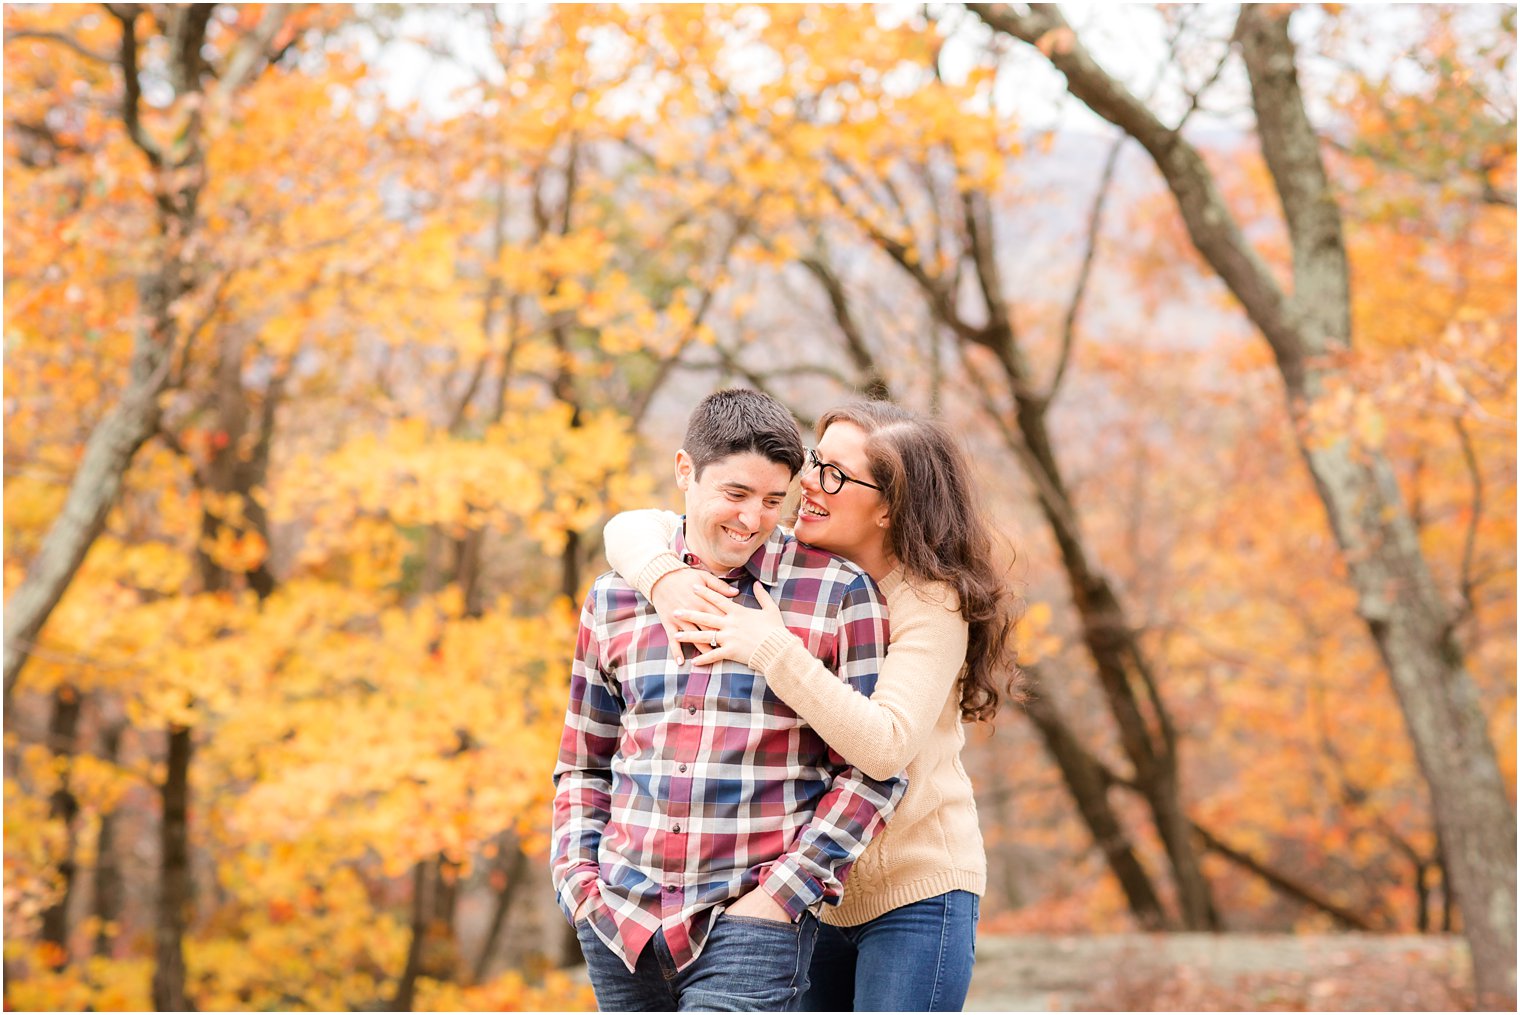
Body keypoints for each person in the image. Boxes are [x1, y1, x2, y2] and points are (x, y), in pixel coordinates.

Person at [603, 399, 1018, 1012]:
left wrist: (770, 646)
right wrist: (664, 577)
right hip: (810, 892)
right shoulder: (797, 566)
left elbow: (885, 746)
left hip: (912, 892)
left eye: (836, 477)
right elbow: (631, 526)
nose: (808, 488)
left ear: (889, 508)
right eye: (815, 463)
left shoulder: (930, 604)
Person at [551, 388, 907, 1012]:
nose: (752, 520)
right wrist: (578, 884)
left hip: (747, 925)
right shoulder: (615, 599)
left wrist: (779, 898)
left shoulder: (836, 595)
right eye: (736, 495)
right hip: (618, 919)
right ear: (686, 472)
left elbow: (873, 772)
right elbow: (585, 763)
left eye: (774, 501)